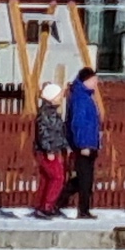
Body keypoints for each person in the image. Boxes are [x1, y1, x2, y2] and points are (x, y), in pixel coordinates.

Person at [30, 75, 75, 218]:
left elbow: (58, 133)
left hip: (54, 149)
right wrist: (48, 149)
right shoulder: (45, 114)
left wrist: (65, 145)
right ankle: (47, 205)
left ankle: (42, 205)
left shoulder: (52, 112)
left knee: (47, 178)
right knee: (57, 178)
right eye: (58, 96)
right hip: (48, 151)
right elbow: (44, 133)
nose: (60, 98)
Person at [62, 67, 105, 219]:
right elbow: (78, 123)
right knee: (84, 180)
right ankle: (82, 210)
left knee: (84, 178)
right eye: (94, 80)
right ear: (86, 80)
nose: (96, 82)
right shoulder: (80, 98)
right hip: (84, 145)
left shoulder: (87, 96)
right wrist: (83, 145)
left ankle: (57, 201)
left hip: (90, 143)